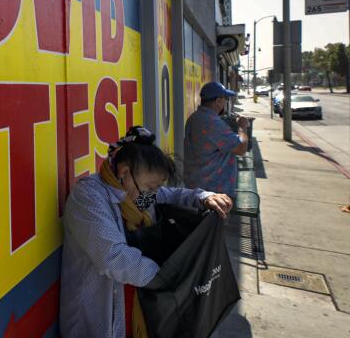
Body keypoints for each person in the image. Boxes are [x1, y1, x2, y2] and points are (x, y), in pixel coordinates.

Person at [59, 126, 233, 338]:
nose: (154, 194)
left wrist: (203, 197)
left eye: (157, 188)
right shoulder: (89, 197)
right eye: (151, 187)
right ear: (125, 173)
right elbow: (113, 258)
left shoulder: (136, 195)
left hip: (135, 316)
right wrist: (169, 279)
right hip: (98, 324)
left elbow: (173, 195)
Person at [183, 81, 250, 199]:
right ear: (218, 101)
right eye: (225, 99)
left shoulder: (195, 117)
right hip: (213, 193)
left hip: (198, 187)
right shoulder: (212, 122)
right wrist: (242, 127)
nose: (226, 102)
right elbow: (241, 149)